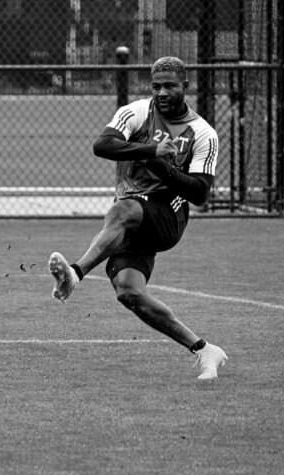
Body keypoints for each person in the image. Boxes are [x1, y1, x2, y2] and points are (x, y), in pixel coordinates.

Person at [48, 56, 228, 380]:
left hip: (168, 216)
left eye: (170, 86)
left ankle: (74, 274)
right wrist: (150, 151)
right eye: (156, 86)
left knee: (123, 209)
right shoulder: (135, 112)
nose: (162, 92)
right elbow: (102, 145)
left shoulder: (203, 134)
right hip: (132, 218)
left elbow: (200, 193)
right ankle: (204, 350)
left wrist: (163, 167)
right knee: (129, 292)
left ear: (185, 87)